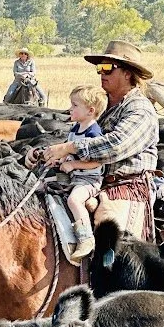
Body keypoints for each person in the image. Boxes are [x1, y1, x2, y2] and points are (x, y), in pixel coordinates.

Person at [26, 40, 159, 242]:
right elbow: (77, 136)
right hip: (86, 181)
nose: (101, 73)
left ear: (127, 73)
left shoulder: (140, 109)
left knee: (114, 247)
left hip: (124, 187)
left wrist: (69, 148)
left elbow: (115, 145)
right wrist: (45, 152)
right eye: (100, 68)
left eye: (108, 68)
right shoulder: (100, 105)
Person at [60, 84, 108, 263]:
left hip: (89, 179)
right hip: (75, 177)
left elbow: (97, 161)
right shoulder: (74, 130)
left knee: (74, 200)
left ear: (90, 110)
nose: (70, 109)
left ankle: (85, 238)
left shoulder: (93, 132)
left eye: (74, 105)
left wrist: (73, 164)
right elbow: (68, 151)